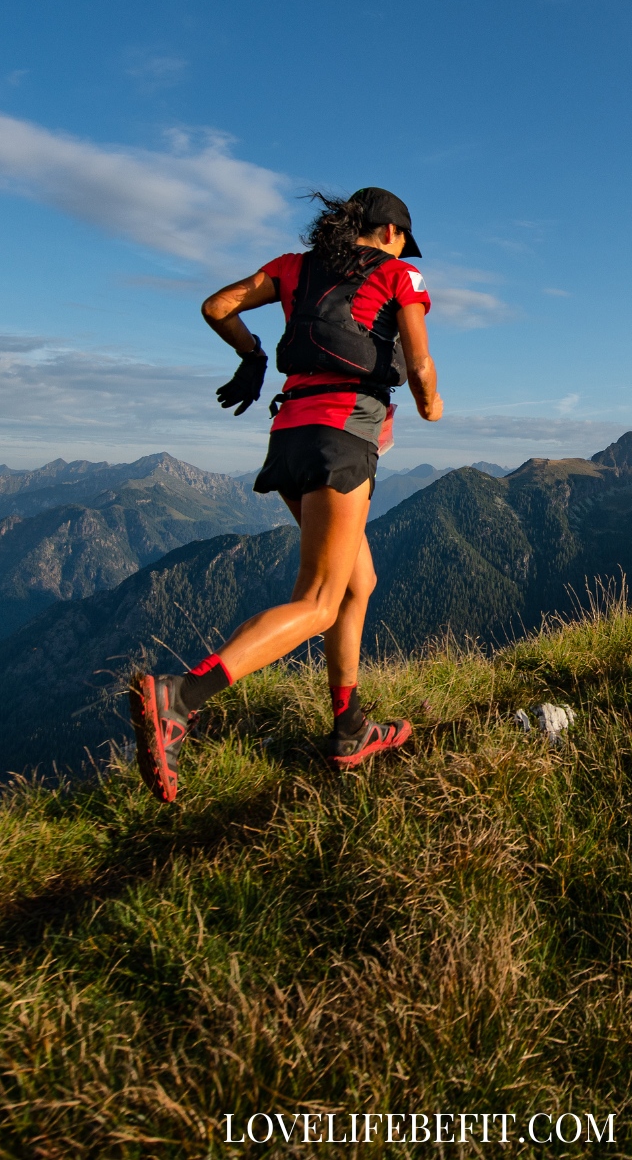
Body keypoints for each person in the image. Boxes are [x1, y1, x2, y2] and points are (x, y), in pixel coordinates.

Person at [129, 187, 443, 803]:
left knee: (358, 583)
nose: (404, 247)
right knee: (321, 601)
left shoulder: (293, 267)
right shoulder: (400, 273)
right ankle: (178, 699)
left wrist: (252, 354)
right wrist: (430, 404)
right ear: (388, 232)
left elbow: (217, 305)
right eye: (404, 238)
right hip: (342, 438)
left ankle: (350, 728)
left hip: (288, 436)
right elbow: (421, 362)